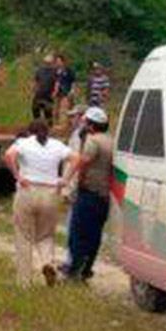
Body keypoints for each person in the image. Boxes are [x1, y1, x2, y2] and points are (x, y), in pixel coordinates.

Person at [3, 119, 80, 287]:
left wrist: (17, 176)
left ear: (30, 132)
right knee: (45, 235)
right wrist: (65, 180)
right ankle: (47, 263)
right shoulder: (57, 145)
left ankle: (24, 282)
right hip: (50, 193)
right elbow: (76, 158)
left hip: (28, 191)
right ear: (48, 132)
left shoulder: (23, 142)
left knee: (24, 236)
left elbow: (9, 156)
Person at [64, 106, 113, 282]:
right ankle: (86, 271)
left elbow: (82, 163)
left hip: (89, 193)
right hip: (104, 196)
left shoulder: (93, 141)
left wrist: (73, 182)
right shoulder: (110, 141)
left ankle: (73, 271)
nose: (83, 124)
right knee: (94, 235)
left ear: (91, 125)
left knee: (78, 232)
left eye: (85, 122)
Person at [52, 55, 76, 134]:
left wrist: (72, 91)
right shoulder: (56, 71)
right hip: (58, 93)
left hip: (66, 93)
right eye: (57, 61)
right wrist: (55, 91)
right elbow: (57, 82)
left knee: (64, 109)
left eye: (59, 61)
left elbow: (73, 81)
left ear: (63, 62)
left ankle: (64, 126)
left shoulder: (68, 70)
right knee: (56, 109)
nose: (58, 63)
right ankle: (56, 125)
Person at [32, 54, 56, 125]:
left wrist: (55, 92)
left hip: (48, 94)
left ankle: (49, 127)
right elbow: (36, 81)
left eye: (49, 63)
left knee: (48, 112)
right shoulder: (39, 70)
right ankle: (37, 125)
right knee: (35, 110)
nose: (47, 64)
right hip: (39, 93)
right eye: (46, 62)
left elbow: (56, 82)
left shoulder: (54, 71)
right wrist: (34, 89)